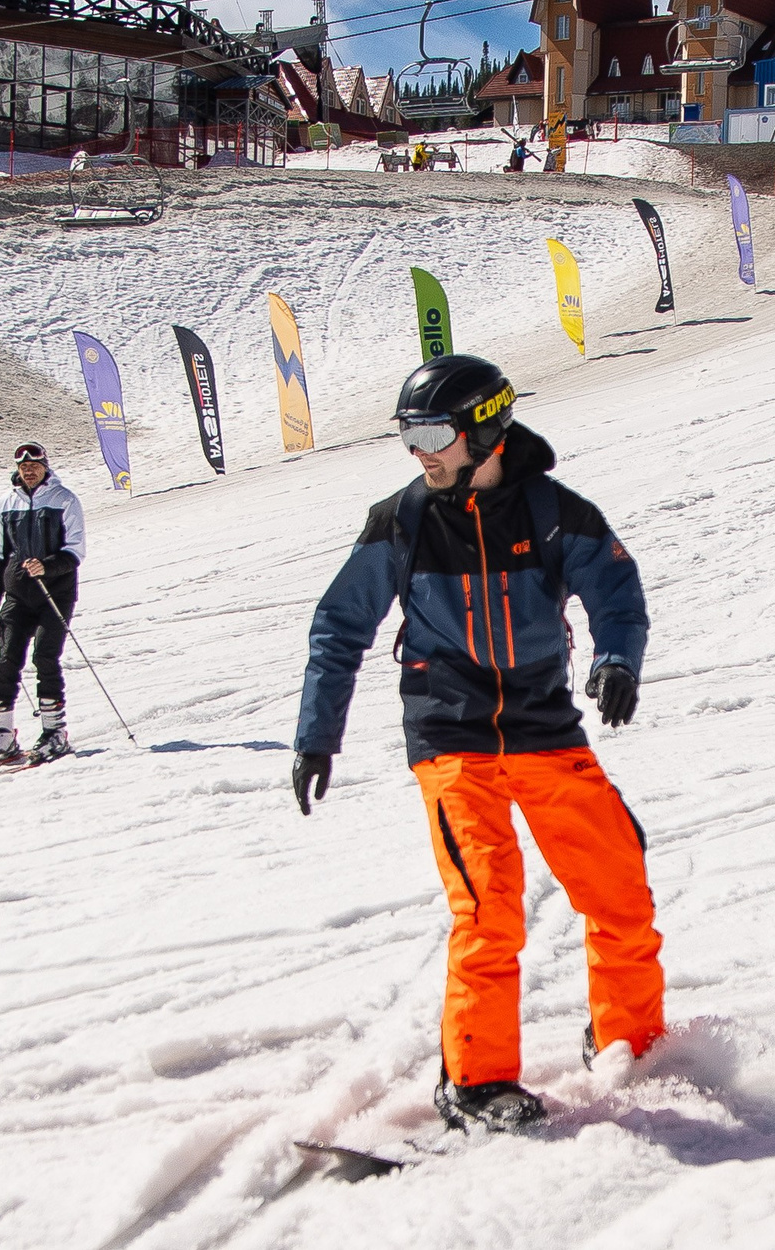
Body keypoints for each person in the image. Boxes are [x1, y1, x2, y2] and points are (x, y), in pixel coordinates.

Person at [293, 355, 660, 1134]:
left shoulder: (555, 514)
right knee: (490, 902)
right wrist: (316, 736)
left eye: (432, 432)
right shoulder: (403, 522)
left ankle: (632, 1041)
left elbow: (616, 594)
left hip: (542, 725)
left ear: (485, 429)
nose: (419, 451)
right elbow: (340, 627)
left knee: (618, 885)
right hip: (450, 732)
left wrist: (616, 659)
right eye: (408, 436)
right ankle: (475, 1081)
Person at [0, 443, 86, 767]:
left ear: (45, 467)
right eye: (23, 466)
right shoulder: (5, 503)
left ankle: (55, 732)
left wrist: (47, 566)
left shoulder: (64, 500)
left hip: (54, 593)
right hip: (17, 595)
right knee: (6, 660)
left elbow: (75, 551)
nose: (29, 471)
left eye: (34, 465)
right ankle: (2, 734)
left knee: (44, 657)